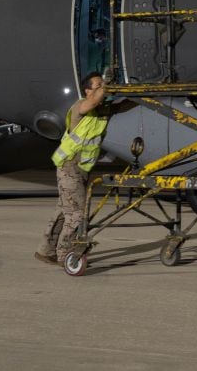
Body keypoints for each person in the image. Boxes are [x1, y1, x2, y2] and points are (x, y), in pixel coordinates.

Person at [36, 72, 136, 266]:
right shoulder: (81, 106)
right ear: (87, 90)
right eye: (97, 85)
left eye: (102, 84)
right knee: (77, 214)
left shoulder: (102, 110)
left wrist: (142, 97)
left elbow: (123, 106)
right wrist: (108, 85)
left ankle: (45, 250)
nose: (102, 88)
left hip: (80, 169)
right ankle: (66, 255)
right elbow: (94, 101)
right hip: (69, 166)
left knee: (64, 211)